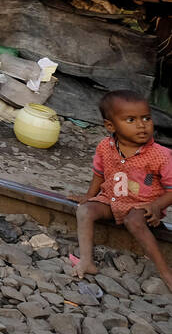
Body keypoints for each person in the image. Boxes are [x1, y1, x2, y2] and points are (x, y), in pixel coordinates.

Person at [72, 91, 172, 291]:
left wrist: (156, 206)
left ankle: (166, 273)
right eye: (131, 120)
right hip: (112, 200)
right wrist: (89, 196)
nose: (142, 125)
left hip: (143, 205)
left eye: (146, 118)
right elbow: (99, 174)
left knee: (133, 220)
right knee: (84, 210)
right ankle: (86, 261)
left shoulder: (161, 155)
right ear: (111, 126)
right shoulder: (105, 147)